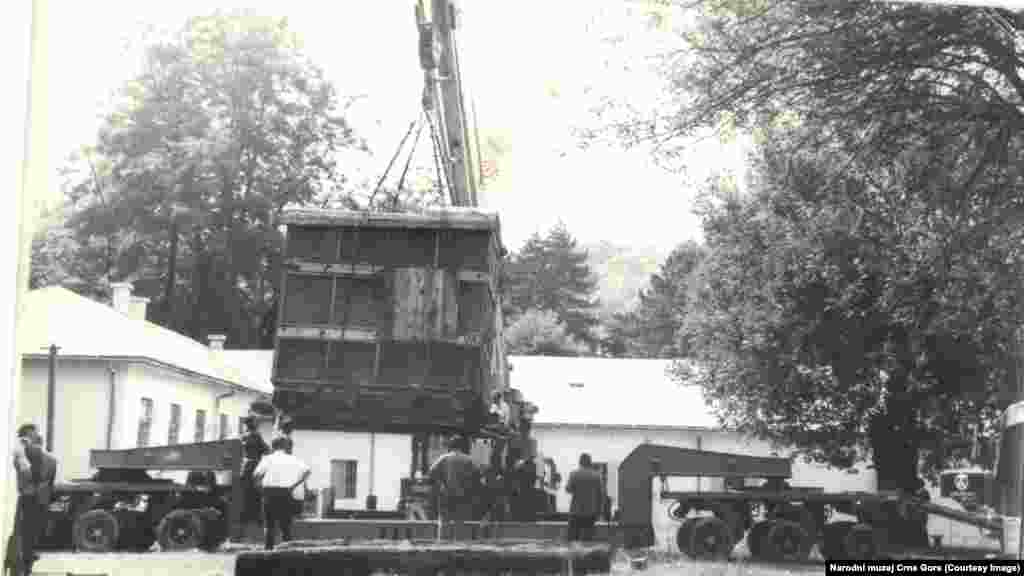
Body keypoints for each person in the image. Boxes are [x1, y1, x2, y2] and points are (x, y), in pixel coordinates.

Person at [253, 437, 310, 550]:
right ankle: (286, 551)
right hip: (286, 491)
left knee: (269, 525)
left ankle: (268, 551)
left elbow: (256, 475)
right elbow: (307, 471)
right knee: (285, 526)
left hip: (269, 491)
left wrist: (260, 488)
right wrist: (294, 485)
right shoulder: (293, 459)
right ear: (284, 446)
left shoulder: (267, 459)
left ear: (273, 447)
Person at [428, 436, 480, 523]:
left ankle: (444, 536)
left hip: (446, 495)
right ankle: (459, 536)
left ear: (450, 446)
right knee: (460, 523)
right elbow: (477, 475)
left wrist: (440, 483)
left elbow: (432, 472)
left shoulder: (443, 458)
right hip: (462, 496)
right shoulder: (468, 460)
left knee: (444, 523)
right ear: (462, 447)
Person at [566, 453, 604, 543]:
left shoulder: (574, 474)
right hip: (590, 511)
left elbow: (568, 489)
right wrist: (599, 511)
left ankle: (573, 556)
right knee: (588, 538)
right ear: (590, 462)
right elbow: (600, 495)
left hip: (576, 510)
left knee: (573, 538)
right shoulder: (596, 475)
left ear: (580, 462)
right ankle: (586, 556)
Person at [239, 416, 270, 527]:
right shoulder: (256, 436)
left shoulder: (242, 437)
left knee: (245, 492)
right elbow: (266, 450)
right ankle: (257, 518)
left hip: (244, 466)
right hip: (255, 466)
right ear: (253, 424)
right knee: (257, 492)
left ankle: (245, 517)